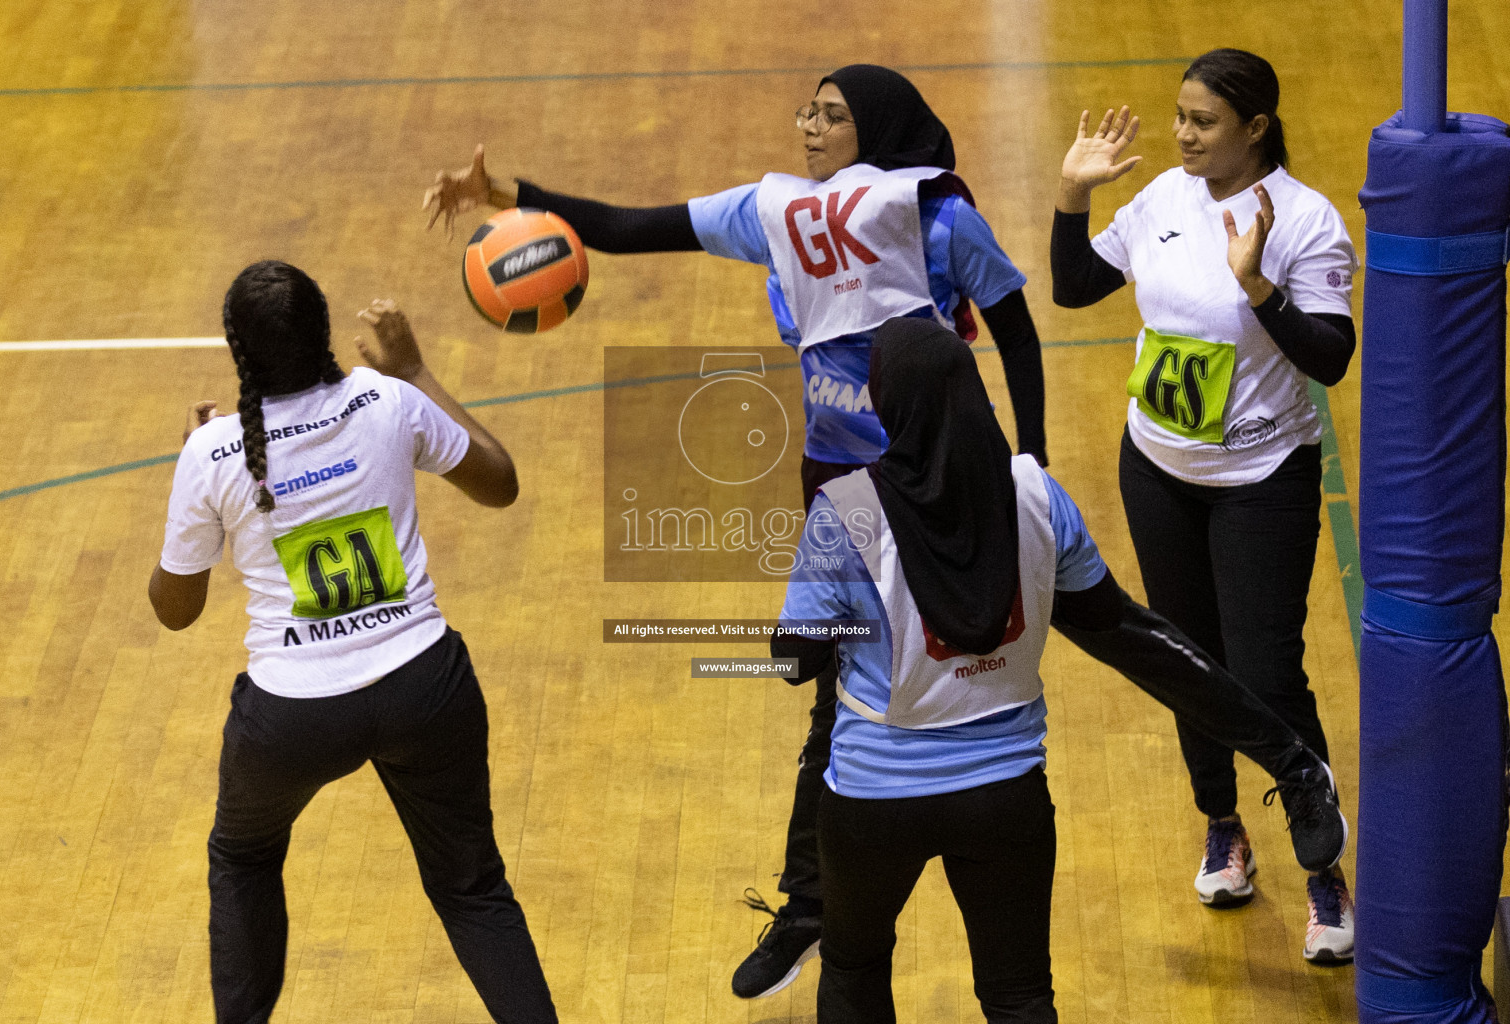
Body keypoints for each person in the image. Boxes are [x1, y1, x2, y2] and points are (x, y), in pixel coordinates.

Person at [425, 63, 1051, 999]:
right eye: (807, 109)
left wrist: (1029, 461)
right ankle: (818, 903)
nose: (808, 127)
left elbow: (1016, 327)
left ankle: (866, 885)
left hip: (950, 481)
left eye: (832, 116)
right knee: (837, 694)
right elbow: (639, 228)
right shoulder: (779, 214)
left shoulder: (936, 219)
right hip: (843, 488)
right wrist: (514, 196)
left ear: (876, 131)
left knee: (937, 675)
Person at [147, 261, 558, 1024]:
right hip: (425, 689)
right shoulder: (387, 400)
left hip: (294, 718)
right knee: (472, 890)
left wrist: (190, 471)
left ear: (238, 353)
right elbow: (500, 483)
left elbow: (176, 611)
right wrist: (415, 370)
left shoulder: (213, 453)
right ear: (325, 329)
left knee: (243, 856)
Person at [1050, 48, 1357, 962]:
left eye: (1203, 121)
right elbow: (1073, 288)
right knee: (1188, 660)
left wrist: (1258, 285)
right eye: (1178, 115)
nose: (1181, 134)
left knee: (1267, 671)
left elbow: (1331, 358)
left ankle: (1324, 870)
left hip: (1263, 480)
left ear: (1255, 128)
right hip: (1157, 468)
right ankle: (1223, 824)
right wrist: (1074, 194)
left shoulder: (1305, 222)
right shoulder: (1160, 201)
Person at [770, 316, 1127, 1023]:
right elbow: (1110, 618)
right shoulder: (1036, 493)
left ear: (886, 405)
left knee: (854, 966)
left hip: (873, 802)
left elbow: (791, 659)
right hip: (1007, 796)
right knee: (1020, 995)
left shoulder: (848, 513)